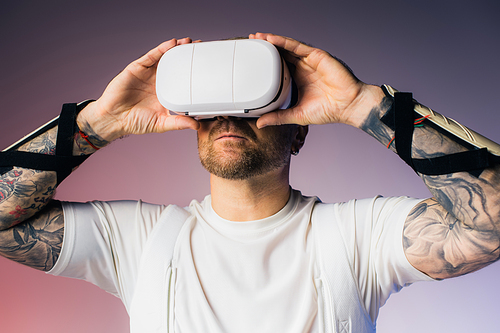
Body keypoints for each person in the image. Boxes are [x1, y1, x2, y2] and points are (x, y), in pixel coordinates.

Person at [0, 32, 499, 332]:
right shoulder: (139, 238)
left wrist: (366, 106)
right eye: (211, 109)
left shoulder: (357, 235)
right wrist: (93, 124)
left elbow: (491, 221)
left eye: (253, 106)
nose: (228, 119)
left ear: (299, 131)